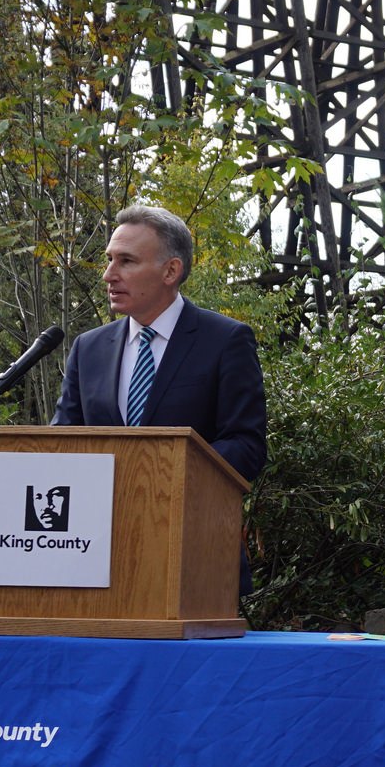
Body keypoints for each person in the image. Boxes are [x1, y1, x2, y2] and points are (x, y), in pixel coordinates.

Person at [53, 205, 267, 578]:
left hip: (193, 557)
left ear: (171, 271)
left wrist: (164, 477)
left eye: (126, 262)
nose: (108, 275)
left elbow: (246, 444)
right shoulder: (89, 349)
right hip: (91, 556)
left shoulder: (225, 341)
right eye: (109, 260)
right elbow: (62, 444)